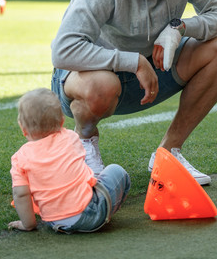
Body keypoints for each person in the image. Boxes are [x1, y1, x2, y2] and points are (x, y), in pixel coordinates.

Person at [51, 0, 217, 186]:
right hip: (93, 75)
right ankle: (85, 144)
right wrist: (132, 61)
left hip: (154, 66)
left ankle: (168, 153)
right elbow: (63, 50)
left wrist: (180, 27)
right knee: (100, 86)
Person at [8, 88, 130, 233]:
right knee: (116, 171)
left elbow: (21, 194)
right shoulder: (70, 137)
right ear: (62, 121)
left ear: (23, 129)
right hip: (90, 213)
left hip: (54, 221)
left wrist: (27, 224)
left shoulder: (19, 158)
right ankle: (107, 211)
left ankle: (72, 221)